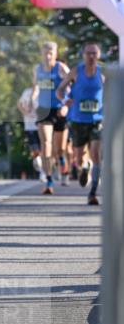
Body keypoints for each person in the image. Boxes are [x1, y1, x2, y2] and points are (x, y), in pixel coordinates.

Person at [56, 41, 104, 206]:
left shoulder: (103, 74)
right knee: (78, 157)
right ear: (83, 55)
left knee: (96, 154)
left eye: (94, 53)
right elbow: (59, 89)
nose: (91, 56)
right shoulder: (76, 72)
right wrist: (64, 101)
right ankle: (85, 168)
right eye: (88, 53)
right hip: (77, 120)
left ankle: (93, 194)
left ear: (99, 55)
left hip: (97, 119)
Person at [31, 40, 69, 195]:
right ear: (41, 53)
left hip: (59, 110)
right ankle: (48, 179)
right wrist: (31, 100)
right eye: (45, 53)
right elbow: (36, 87)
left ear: (55, 54)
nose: (47, 56)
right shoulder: (37, 69)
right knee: (45, 143)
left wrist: (66, 104)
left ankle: (62, 164)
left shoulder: (61, 68)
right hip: (44, 110)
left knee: (60, 149)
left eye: (50, 53)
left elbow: (71, 88)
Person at [17, 87, 42, 178]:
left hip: (42, 124)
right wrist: (26, 112)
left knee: (43, 148)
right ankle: (40, 169)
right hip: (29, 125)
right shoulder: (27, 91)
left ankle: (44, 171)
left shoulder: (44, 91)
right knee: (35, 149)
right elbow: (19, 104)